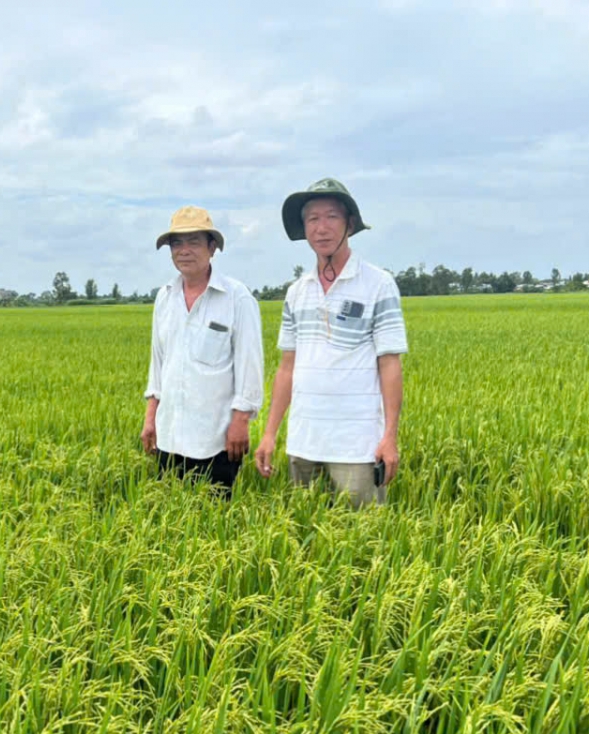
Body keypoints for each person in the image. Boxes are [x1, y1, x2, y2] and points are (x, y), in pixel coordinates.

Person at [253, 178, 408, 508]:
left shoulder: (378, 284)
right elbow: (286, 369)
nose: (321, 228)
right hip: (304, 440)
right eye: (312, 219)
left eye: (331, 217)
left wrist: (389, 436)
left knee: (363, 541)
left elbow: (390, 364)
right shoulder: (297, 292)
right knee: (304, 535)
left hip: (356, 444)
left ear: (349, 224)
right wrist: (270, 433)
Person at [142, 206, 264, 495]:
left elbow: (250, 366)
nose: (184, 250)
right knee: (171, 522)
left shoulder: (237, 298)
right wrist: (151, 418)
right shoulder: (165, 297)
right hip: (169, 437)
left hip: (217, 441)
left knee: (216, 527)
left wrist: (241, 421)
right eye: (176, 243)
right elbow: (158, 363)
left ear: (212, 248)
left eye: (194, 241)